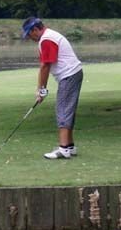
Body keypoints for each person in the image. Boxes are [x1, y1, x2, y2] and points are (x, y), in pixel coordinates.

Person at [22, 17, 83, 159]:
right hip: (72, 73)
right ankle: (69, 146)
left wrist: (41, 90)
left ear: (35, 30)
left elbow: (45, 66)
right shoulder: (48, 36)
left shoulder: (47, 39)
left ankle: (63, 149)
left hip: (69, 75)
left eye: (29, 34)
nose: (29, 38)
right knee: (67, 109)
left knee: (63, 109)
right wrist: (42, 89)